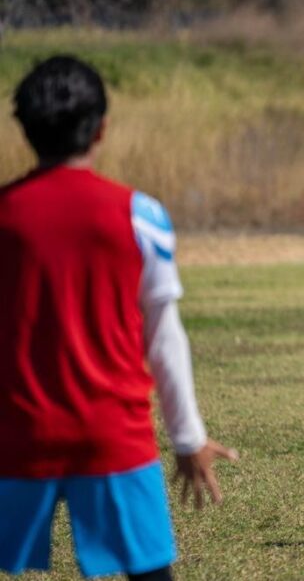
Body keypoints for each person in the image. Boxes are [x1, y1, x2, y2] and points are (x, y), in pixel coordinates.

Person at [0, 56, 237, 580]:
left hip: (13, 436)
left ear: (24, 128)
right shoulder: (140, 216)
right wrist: (188, 437)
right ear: (102, 128)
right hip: (111, 437)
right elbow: (164, 335)